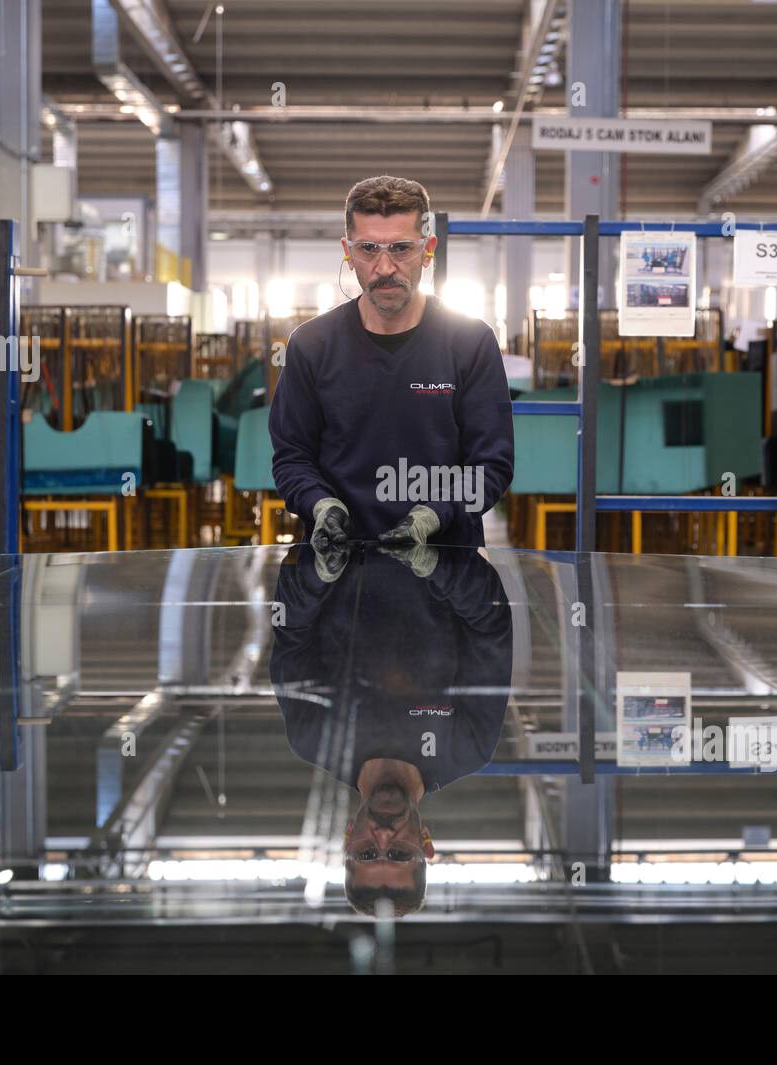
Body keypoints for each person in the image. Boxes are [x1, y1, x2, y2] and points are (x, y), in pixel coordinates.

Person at [269, 175, 514, 551]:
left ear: (428, 250)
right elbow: (292, 456)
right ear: (348, 253)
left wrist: (433, 515)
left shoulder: (470, 342)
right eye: (368, 249)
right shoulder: (311, 344)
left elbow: (490, 465)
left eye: (401, 249)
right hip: (340, 564)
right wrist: (321, 506)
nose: (384, 268)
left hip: (447, 567)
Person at [269, 541, 513, 916]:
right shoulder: (467, 748)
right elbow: (491, 624)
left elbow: (289, 627)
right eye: (399, 853)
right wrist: (432, 560)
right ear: (426, 845)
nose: (384, 836)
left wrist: (321, 570)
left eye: (368, 852)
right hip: (437, 514)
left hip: (341, 513)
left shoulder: (313, 739)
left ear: (348, 839)